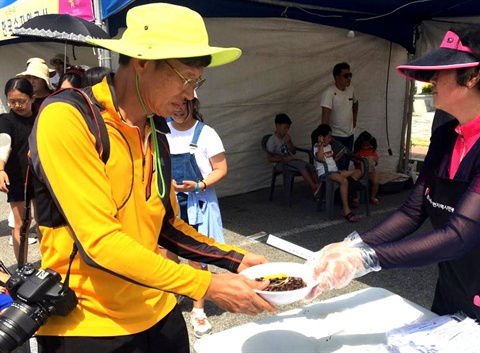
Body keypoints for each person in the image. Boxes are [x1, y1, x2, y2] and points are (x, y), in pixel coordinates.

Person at [28, 4, 275, 353]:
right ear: (142, 62)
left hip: (158, 310)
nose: (192, 94)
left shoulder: (156, 130)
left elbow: (166, 225)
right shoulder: (69, 118)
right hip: (89, 324)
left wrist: (235, 259)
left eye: (198, 81)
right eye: (187, 79)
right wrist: (206, 285)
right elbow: (100, 242)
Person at [308, 25, 480, 353]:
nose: (431, 81)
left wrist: (365, 261)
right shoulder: (446, 135)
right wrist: (350, 245)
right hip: (458, 279)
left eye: (440, 72)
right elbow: (413, 210)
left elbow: (459, 234)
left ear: (473, 76)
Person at [163, 97, 228, 338]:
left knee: (197, 256)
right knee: (166, 255)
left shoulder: (207, 133)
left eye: (184, 104)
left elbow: (221, 169)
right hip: (167, 202)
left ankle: (197, 309)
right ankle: (170, 301)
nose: (178, 109)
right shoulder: (160, 128)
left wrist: (199, 185)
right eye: (174, 104)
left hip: (197, 202)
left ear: (194, 105)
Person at [0, 78, 41, 265]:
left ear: (32, 98)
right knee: (22, 223)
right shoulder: (6, 120)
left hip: (40, 176)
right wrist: (0, 167)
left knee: (44, 223)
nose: (17, 105)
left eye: (21, 101)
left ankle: (50, 262)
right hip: (17, 177)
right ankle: (22, 267)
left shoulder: (40, 114)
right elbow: (4, 143)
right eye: (12, 101)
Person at [312, 124, 361, 222]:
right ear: (321, 137)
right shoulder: (317, 147)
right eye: (329, 136)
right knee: (343, 180)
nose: (331, 139)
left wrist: (337, 158)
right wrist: (321, 144)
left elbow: (330, 161)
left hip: (335, 171)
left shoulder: (329, 146)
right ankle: (346, 210)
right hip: (326, 173)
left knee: (358, 172)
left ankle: (348, 189)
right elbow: (319, 158)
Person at [266, 113, 320, 197]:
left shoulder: (286, 137)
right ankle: (314, 188)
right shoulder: (272, 140)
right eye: (285, 128)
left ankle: (319, 187)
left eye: (288, 128)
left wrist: (290, 142)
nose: (286, 130)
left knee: (310, 166)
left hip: (290, 160)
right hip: (281, 164)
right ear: (277, 125)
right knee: (301, 166)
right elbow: (270, 158)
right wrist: (283, 159)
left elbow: (293, 152)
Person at [320, 62, 358, 171]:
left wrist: (355, 117)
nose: (349, 78)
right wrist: (326, 135)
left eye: (350, 75)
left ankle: (343, 187)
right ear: (337, 77)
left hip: (349, 135)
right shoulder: (329, 92)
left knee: (346, 163)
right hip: (336, 136)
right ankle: (336, 187)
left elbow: (356, 103)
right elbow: (325, 115)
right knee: (336, 164)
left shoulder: (351, 90)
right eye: (346, 75)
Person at [353, 131, 380, 205]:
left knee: (376, 181)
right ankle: (357, 198)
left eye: (368, 145)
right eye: (364, 145)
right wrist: (358, 161)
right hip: (360, 171)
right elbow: (354, 160)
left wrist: (374, 162)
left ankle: (373, 197)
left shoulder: (372, 151)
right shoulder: (358, 152)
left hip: (370, 172)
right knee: (355, 180)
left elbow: (376, 162)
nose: (366, 147)